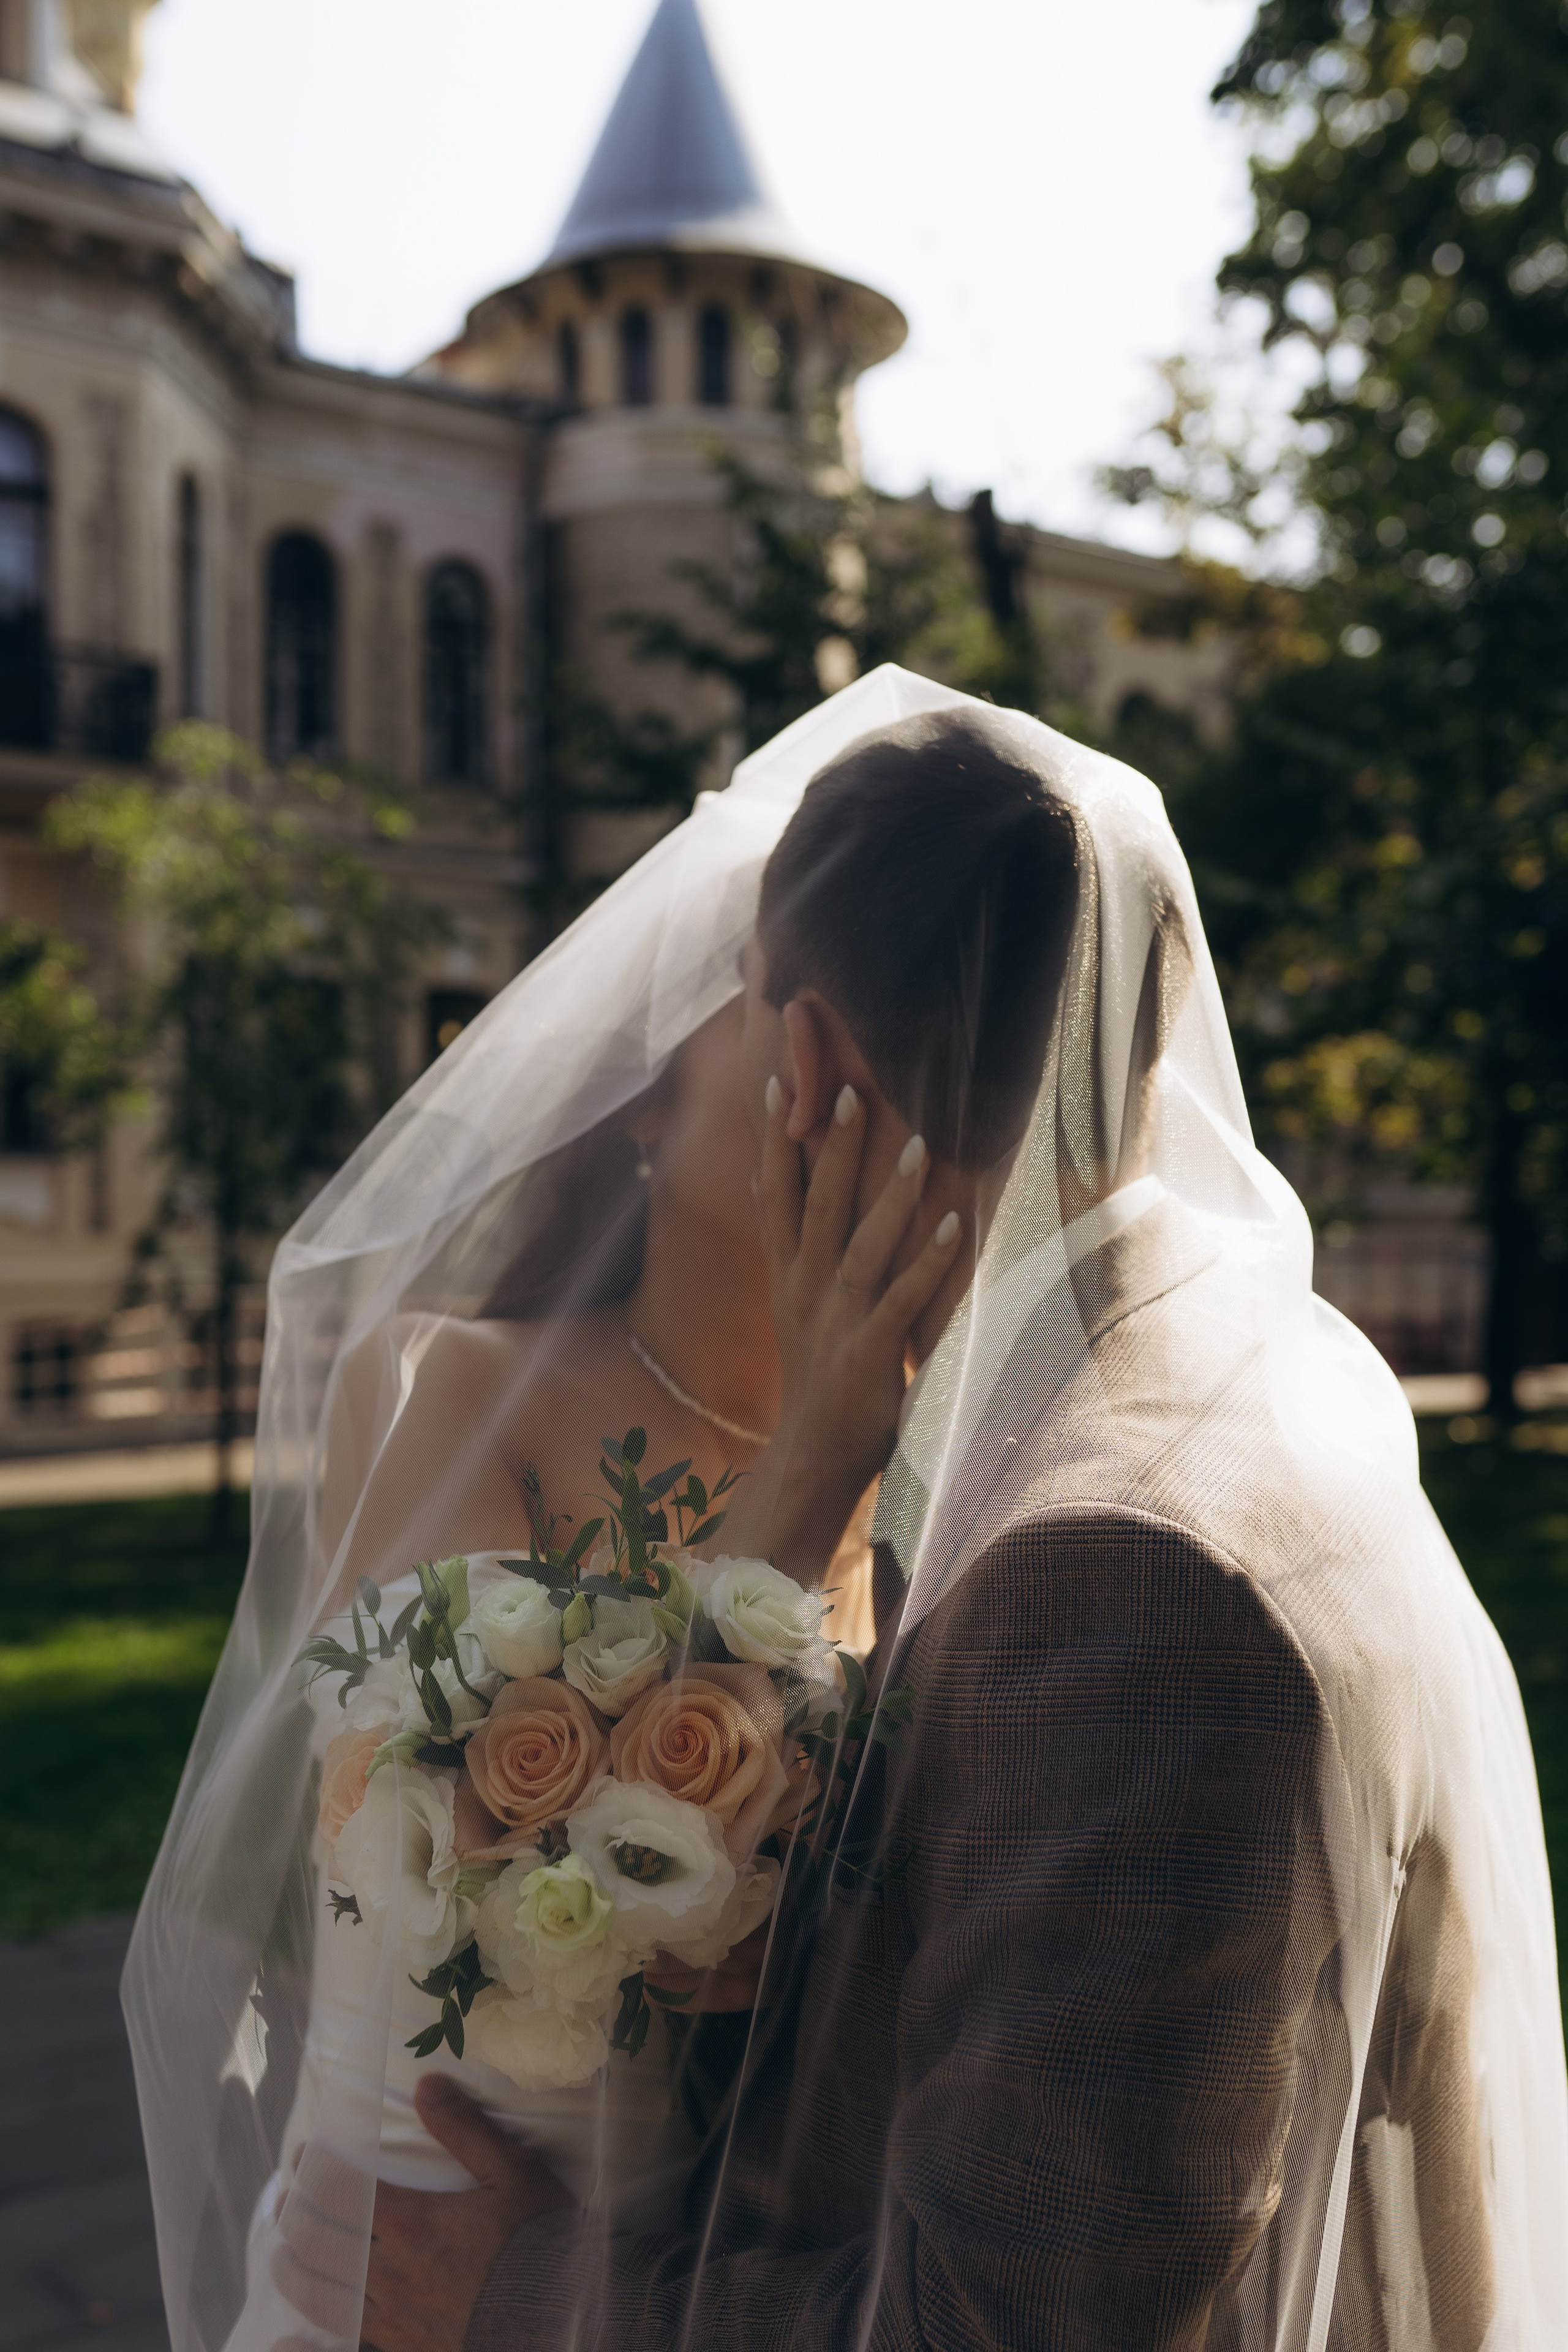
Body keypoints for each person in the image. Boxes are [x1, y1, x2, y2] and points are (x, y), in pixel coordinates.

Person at [124, 673, 1567, 2352]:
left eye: (745, 992)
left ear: (802, 1058)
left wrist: (517, 2289)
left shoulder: (1113, 1570)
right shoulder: (1274, 1383)